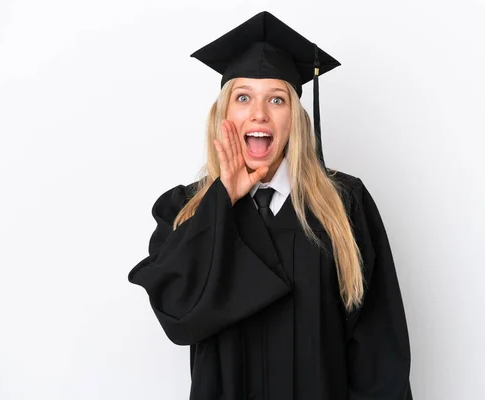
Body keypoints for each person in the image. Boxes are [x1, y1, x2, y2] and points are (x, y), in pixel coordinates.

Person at [128, 11, 413, 400]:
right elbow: (177, 310)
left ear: (294, 118)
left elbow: (379, 349)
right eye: (243, 97)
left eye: (276, 99)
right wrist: (223, 199)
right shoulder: (186, 209)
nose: (259, 113)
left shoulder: (344, 204)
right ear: (223, 115)